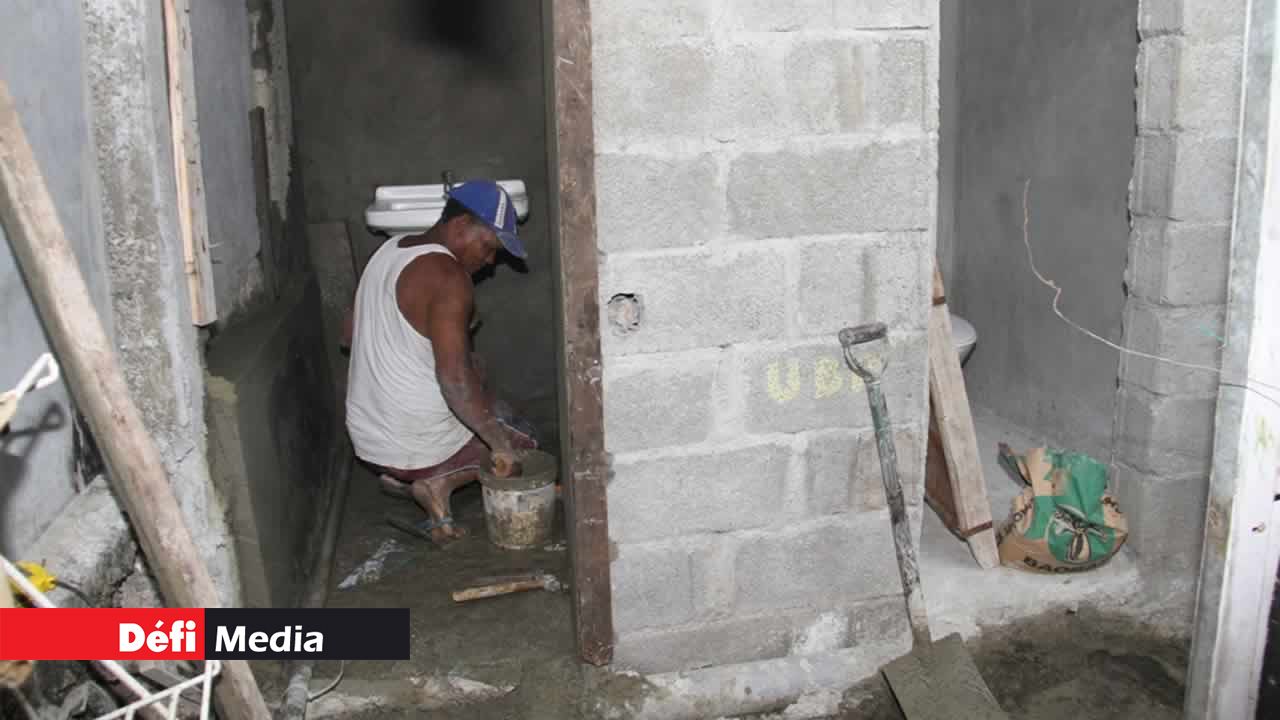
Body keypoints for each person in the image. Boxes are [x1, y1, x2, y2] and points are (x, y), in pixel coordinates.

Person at [344, 180, 537, 545]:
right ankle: (436, 482)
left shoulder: (388, 250)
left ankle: (398, 478)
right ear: (461, 226)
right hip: (413, 446)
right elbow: (454, 381)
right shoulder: (449, 277)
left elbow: (348, 335)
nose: (491, 260)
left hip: (367, 437)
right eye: (489, 246)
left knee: (476, 374)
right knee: (522, 439)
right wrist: (500, 444)